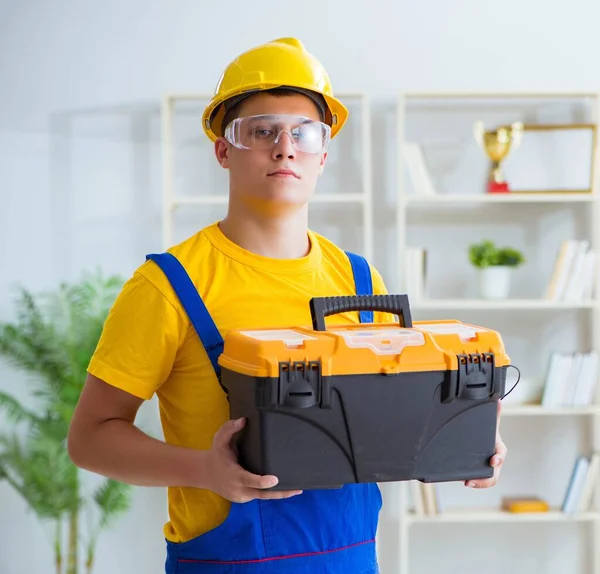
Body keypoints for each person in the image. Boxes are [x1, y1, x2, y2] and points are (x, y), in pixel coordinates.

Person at [67, 37, 507, 573]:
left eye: (304, 132)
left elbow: (385, 411)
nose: (285, 147)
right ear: (223, 149)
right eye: (262, 130)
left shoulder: (361, 280)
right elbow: (90, 438)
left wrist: (467, 435)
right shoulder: (171, 285)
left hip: (353, 559)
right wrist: (206, 470)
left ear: (323, 153)